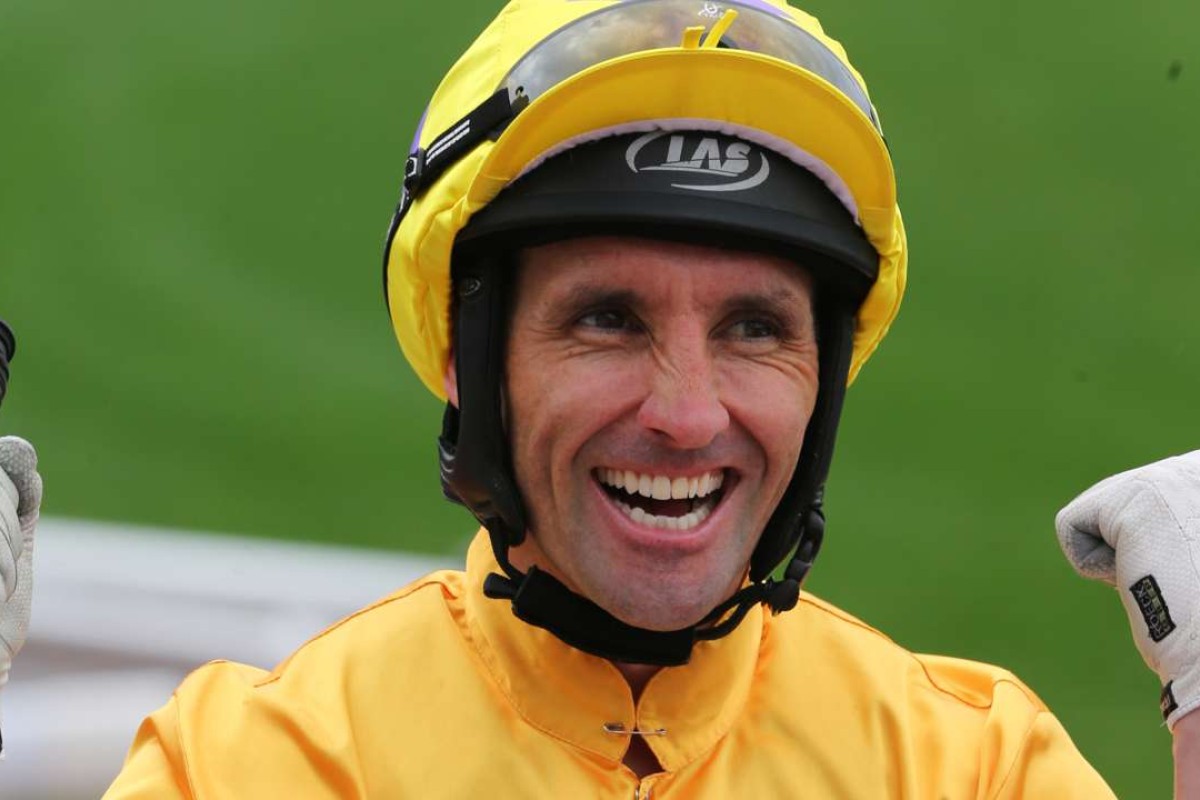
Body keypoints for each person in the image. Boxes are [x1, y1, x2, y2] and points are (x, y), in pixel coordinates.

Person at [0, 0, 1196, 795]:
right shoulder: (261, 767)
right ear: (474, 359)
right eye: (607, 318)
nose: (686, 411)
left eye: (755, 328)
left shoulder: (970, 767)